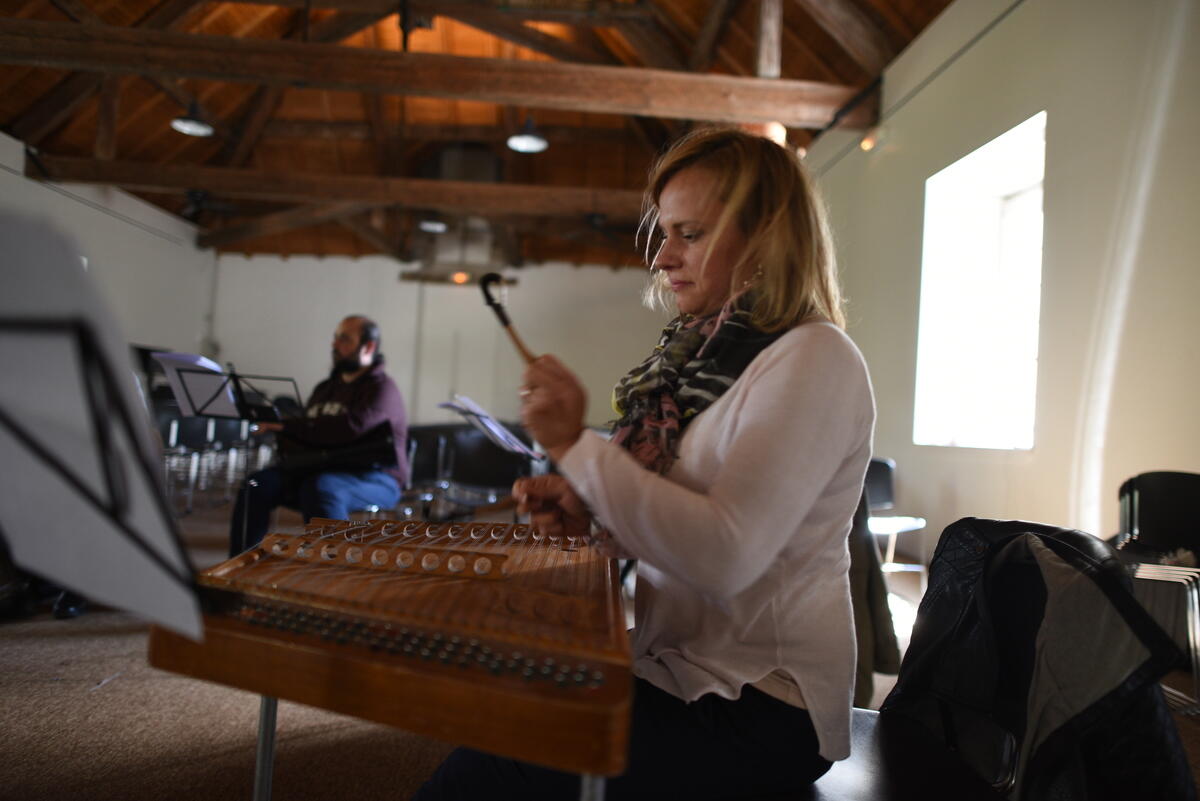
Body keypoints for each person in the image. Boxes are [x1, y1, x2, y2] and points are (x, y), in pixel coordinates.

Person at [413, 127, 876, 800]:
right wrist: (594, 510)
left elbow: (724, 553)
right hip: (677, 664)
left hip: (762, 706)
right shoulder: (701, 363)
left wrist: (578, 448)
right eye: (664, 233)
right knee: (504, 699)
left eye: (688, 232)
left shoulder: (815, 355)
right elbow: (680, 521)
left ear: (768, 233)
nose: (662, 258)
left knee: (487, 769)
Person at [228, 315, 409, 557]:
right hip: (319, 470)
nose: (334, 345)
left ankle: (334, 573)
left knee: (322, 488)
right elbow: (308, 433)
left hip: (376, 477)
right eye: (335, 338)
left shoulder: (383, 389)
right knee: (256, 484)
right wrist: (278, 430)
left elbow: (350, 428)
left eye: (344, 339)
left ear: (369, 347)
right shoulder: (325, 389)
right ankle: (240, 566)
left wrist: (287, 426)